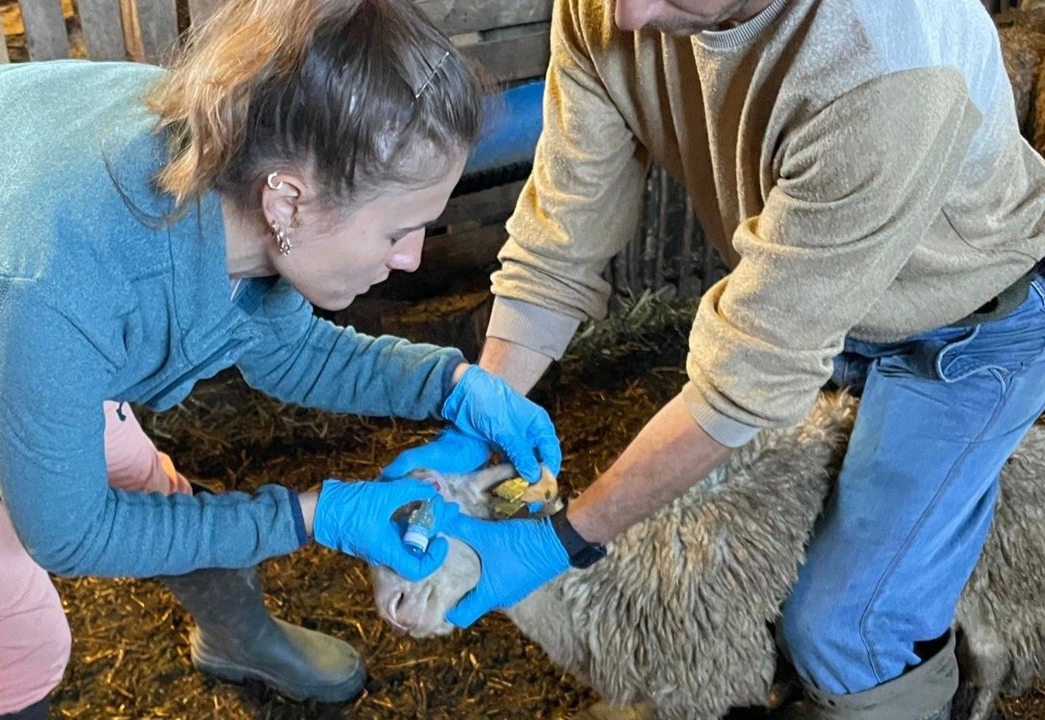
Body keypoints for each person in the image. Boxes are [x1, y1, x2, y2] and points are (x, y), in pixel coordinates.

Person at [0, 0, 565, 717]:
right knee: (17, 639)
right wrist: (314, 515)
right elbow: (69, 535)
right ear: (287, 201)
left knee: (145, 483)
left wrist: (453, 385)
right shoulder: (61, 275)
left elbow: (285, 348)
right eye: (397, 231)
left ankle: (236, 638)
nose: (412, 259)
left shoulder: (237, 169)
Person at [385, 0, 1045, 717]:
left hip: (965, 328)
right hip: (817, 307)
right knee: (775, 558)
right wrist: (483, 417)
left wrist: (559, 544)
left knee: (844, 624)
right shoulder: (607, 6)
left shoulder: (890, 63)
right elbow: (557, 245)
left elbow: (741, 385)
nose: (628, 16)